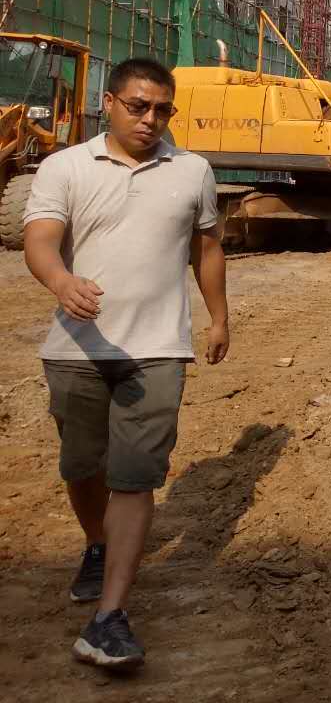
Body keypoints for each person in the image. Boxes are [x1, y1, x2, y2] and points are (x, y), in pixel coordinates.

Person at [22, 56, 228, 670]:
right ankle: (95, 542)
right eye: (138, 106)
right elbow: (40, 239)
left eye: (163, 109)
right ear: (108, 103)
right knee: (82, 466)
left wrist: (219, 318)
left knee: (134, 478)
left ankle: (109, 615)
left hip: (159, 350)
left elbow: (207, 247)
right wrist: (62, 283)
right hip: (78, 349)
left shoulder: (192, 171)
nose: (151, 119)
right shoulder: (65, 167)